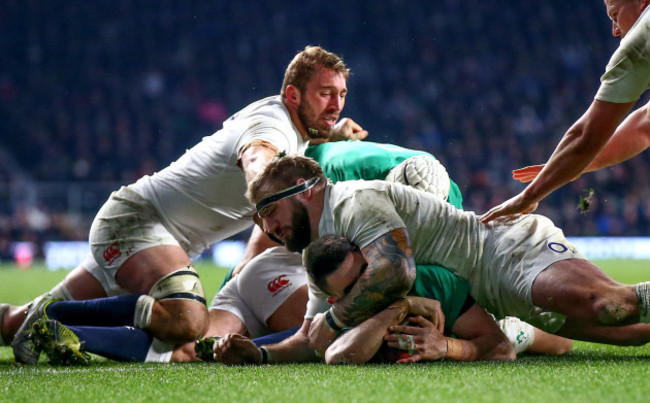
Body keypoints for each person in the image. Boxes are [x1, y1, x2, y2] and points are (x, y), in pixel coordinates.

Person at [3, 45, 367, 364]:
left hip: (148, 231)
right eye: (324, 94)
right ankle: (60, 329)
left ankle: (28, 322)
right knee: (188, 320)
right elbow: (258, 156)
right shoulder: (271, 125)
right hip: (141, 224)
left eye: (341, 95)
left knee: (18, 322)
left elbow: (292, 145)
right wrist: (263, 188)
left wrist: (331, 131)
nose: (336, 105)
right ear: (292, 95)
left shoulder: (290, 126)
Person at [245, 153, 650, 358]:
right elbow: (307, 338)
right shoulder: (320, 254)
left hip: (503, 251)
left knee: (611, 305)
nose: (267, 229)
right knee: (634, 333)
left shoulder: (353, 200)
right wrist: (260, 355)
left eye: (268, 211)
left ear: (304, 188)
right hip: (492, 293)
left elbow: (394, 271)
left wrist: (334, 321)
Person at [212, 235, 572, 366]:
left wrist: (446, 346)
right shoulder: (333, 311)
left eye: (366, 271)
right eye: (354, 287)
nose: (369, 285)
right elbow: (323, 351)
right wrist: (397, 308)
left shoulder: (429, 281)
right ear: (335, 298)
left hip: (496, 322)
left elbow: (498, 347)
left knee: (560, 341)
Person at [481, 0, 650, 223]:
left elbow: (584, 137)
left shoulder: (639, 39)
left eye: (615, 15)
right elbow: (643, 126)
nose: (615, 30)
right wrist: (566, 167)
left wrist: (529, 196)